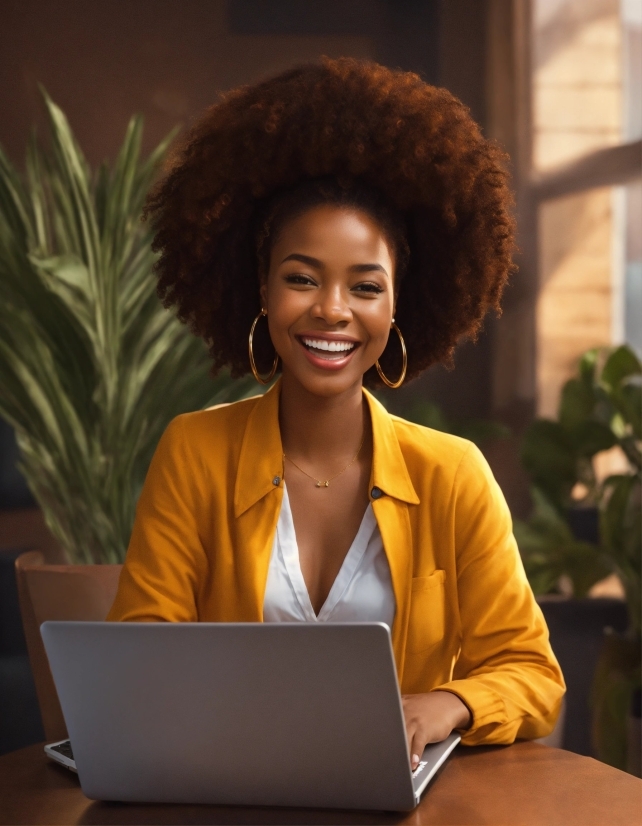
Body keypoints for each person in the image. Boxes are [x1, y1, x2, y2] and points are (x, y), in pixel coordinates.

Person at [107, 57, 565, 767]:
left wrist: (447, 704)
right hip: (230, 794)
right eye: (301, 278)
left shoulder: (453, 474)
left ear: (396, 305)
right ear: (262, 289)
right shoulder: (194, 451)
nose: (331, 310)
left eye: (365, 285)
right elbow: (139, 662)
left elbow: (534, 677)